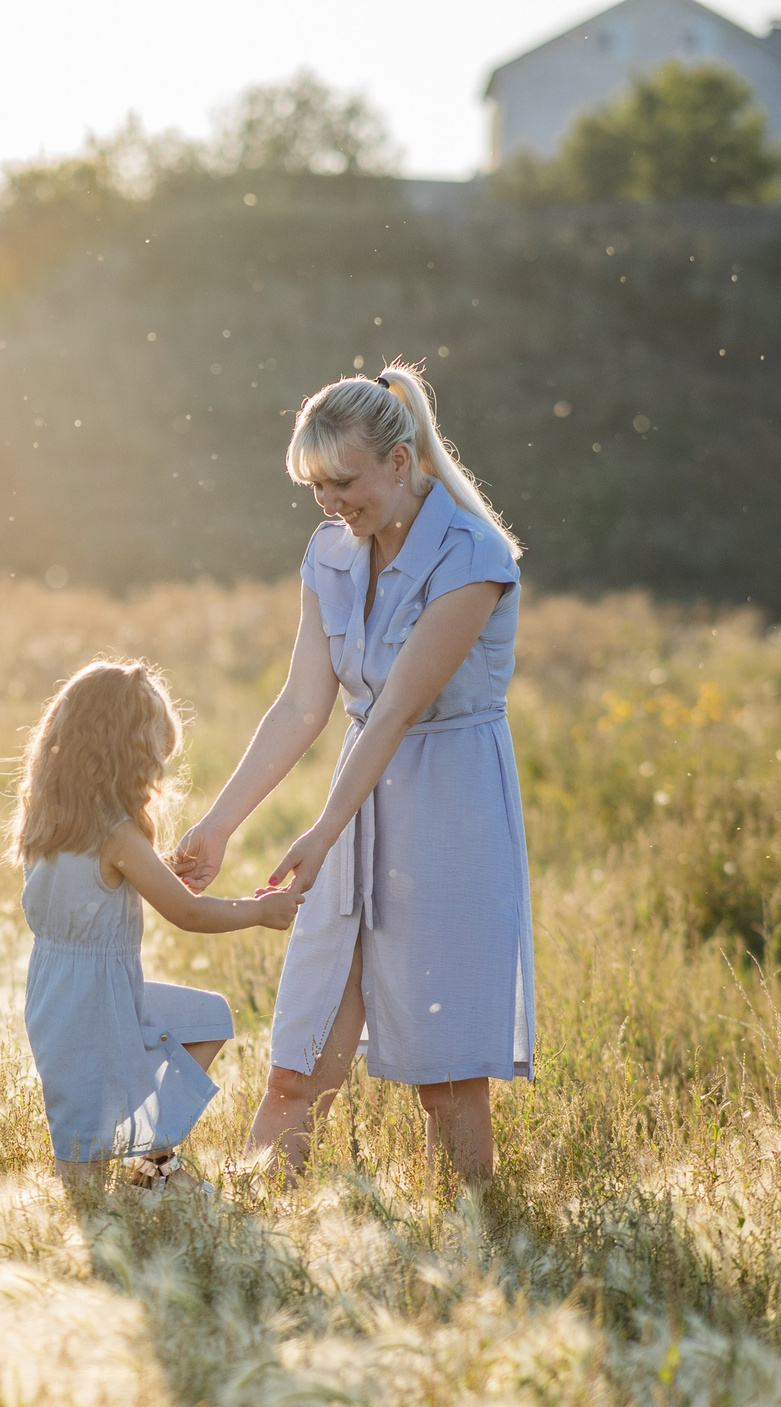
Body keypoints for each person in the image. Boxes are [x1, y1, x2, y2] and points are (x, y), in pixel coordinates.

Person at [169, 361, 534, 1185]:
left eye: (343, 482)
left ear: (400, 461)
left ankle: (474, 1239)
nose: (330, 503)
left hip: (450, 809)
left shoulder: (473, 554)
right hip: (355, 803)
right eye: (315, 487)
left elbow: (399, 707)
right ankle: (253, 1223)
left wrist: (323, 830)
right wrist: (218, 825)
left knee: (446, 1079)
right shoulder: (330, 554)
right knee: (297, 1062)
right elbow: (302, 705)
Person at [11, 659, 300, 1191]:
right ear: (123, 756)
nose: (157, 777)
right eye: (153, 761)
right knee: (83, 1158)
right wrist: (260, 912)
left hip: (66, 992)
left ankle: (152, 1162)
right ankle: (140, 1180)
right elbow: (188, 913)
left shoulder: (49, 820)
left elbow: (89, 885)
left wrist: (159, 868)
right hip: (94, 1002)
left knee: (206, 1019)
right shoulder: (116, 833)